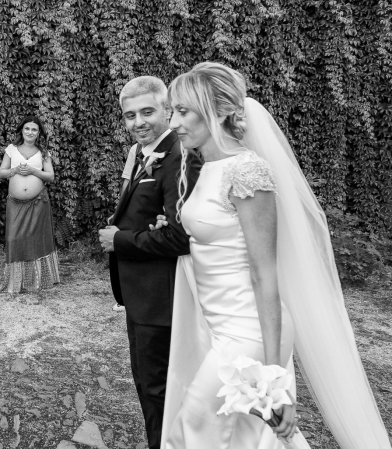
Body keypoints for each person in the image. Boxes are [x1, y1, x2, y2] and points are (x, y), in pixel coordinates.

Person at [155, 62, 391, 449]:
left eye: (182, 111)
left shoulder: (247, 171)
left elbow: (265, 275)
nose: (173, 121)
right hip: (219, 328)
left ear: (217, 111)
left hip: (247, 335)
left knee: (193, 429)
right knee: (246, 440)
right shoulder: (207, 165)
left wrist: (272, 374)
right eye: (172, 111)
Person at [98, 76, 201, 448]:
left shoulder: (178, 155)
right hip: (140, 291)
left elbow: (181, 236)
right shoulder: (143, 153)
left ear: (167, 110)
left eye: (147, 112)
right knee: (147, 383)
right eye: (129, 115)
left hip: (161, 295)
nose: (138, 122)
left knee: (156, 386)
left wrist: (120, 240)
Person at [0, 115, 60, 294]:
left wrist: (34, 170)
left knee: (36, 241)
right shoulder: (11, 149)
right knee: (14, 239)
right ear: (22, 130)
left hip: (38, 202)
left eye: (34, 129)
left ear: (38, 132)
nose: (30, 132)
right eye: (27, 128)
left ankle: (37, 281)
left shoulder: (44, 152)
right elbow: (2, 172)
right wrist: (15, 170)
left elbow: (50, 176)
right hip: (15, 203)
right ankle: (17, 281)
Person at [109, 146, 138, 313]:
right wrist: (119, 211)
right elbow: (127, 181)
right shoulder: (136, 148)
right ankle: (122, 299)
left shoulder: (177, 146)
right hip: (133, 207)